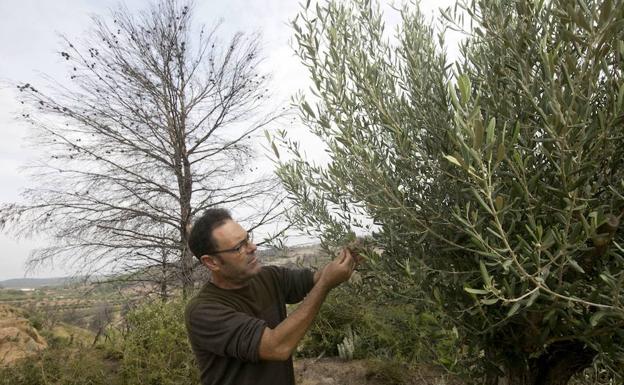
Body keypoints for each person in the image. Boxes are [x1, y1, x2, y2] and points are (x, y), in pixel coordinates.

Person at [185, 208, 359, 385]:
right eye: (239, 247)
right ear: (211, 262)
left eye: (248, 239)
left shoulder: (269, 277)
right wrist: (325, 284)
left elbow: (315, 279)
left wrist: (349, 258)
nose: (253, 248)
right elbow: (276, 347)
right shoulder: (203, 311)